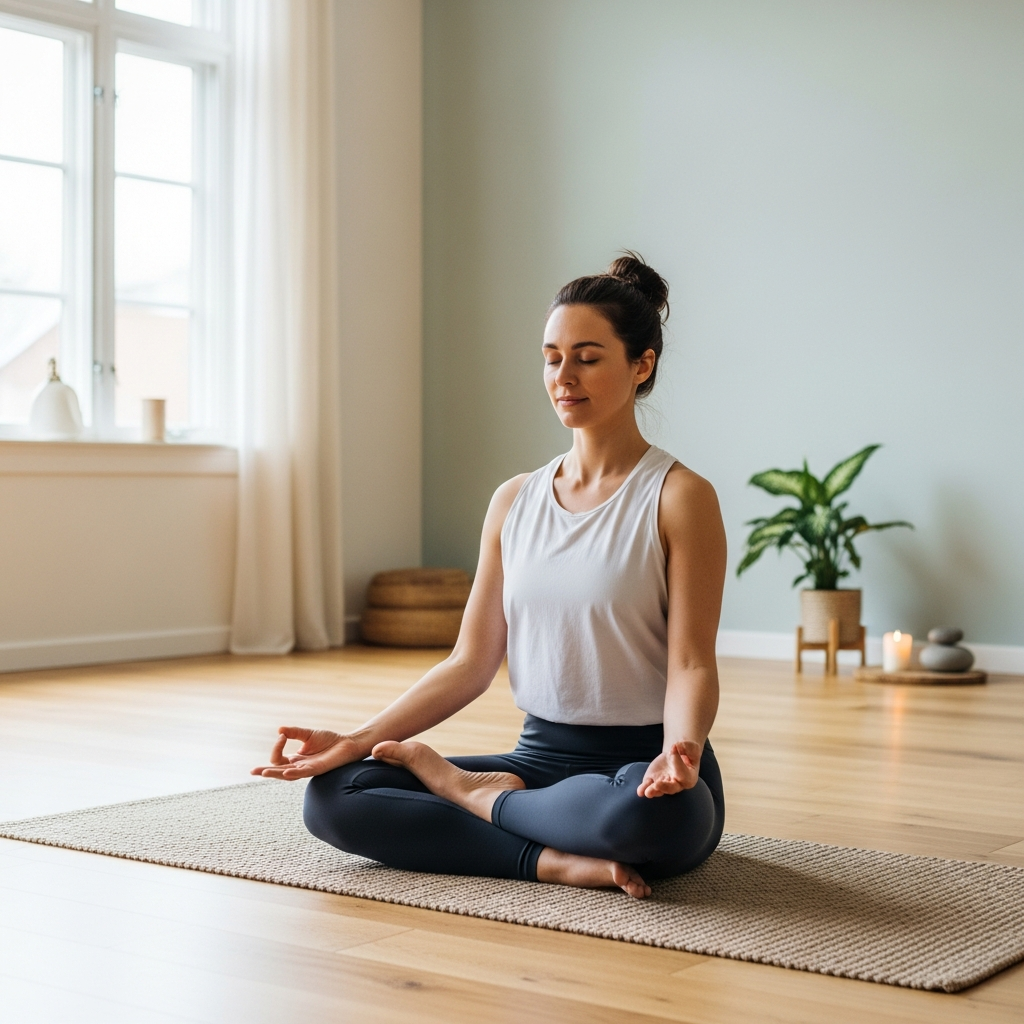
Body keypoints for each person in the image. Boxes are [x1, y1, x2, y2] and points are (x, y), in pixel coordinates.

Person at [253, 253, 727, 899]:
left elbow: (693, 663)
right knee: (336, 796)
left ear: (641, 364)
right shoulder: (514, 500)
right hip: (537, 761)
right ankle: (551, 860)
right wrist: (360, 740)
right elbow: (470, 662)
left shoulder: (679, 497)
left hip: (641, 765)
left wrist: (683, 750)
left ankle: (467, 797)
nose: (564, 376)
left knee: (651, 820)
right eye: (551, 356)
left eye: (587, 357)